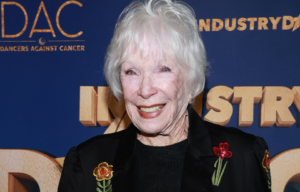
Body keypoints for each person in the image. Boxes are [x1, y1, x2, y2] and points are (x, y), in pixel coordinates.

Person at [58, 0, 271, 191]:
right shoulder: (86, 164)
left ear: (191, 80)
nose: (145, 89)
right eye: (131, 71)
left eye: (163, 69)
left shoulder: (243, 157)